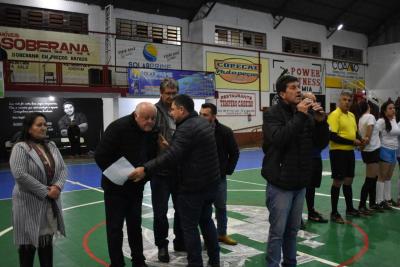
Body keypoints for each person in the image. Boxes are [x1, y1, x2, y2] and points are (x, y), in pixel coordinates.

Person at [130, 94, 221, 267]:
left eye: (173, 109)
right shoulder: (202, 122)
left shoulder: (187, 127)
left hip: (194, 186)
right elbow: (190, 151)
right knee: (206, 221)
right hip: (210, 184)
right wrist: (171, 146)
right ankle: (214, 260)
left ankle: (195, 263)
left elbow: (172, 157)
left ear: (181, 109)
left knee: (190, 227)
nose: (171, 113)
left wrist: (146, 168)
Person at [262, 75, 329, 267]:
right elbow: (279, 139)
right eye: (293, 87)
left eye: (299, 87)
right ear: (282, 93)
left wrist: (320, 122)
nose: (298, 90)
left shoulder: (306, 115)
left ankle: (290, 263)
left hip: (300, 182)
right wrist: (300, 115)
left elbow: (319, 144)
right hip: (281, 184)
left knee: (292, 231)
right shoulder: (272, 114)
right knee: (277, 232)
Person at [94, 102, 158, 267]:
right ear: (136, 115)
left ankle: (138, 261)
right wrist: (124, 175)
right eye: (146, 118)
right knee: (115, 228)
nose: (150, 121)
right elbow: (101, 156)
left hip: (137, 187)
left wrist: (145, 174)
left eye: (153, 118)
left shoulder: (153, 131)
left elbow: (153, 159)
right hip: (115, 189)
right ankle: (117, 263)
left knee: (135, 226)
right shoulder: (118, 128)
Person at [9, 112, 67, 267]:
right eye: (39, 125)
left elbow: (62, 170)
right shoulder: (20, 148)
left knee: (46, 250)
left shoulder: (51, 146)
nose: (43, 128)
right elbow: (20, 175)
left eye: (44, 124)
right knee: (27, 254)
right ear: (29, 128)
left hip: (49, 207)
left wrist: (57, 186)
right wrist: (46, 191)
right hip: (28, 206)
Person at [151, 78, 184, 263]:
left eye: (174, 93)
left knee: (181, 210)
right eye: (168, 93)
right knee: (160, 213)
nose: (171, 97)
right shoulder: (154, 112)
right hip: (160, 173)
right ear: (161, 93)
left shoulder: (182, 111)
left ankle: (180, 241)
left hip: (179, 172)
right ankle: (162, 246)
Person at [199, 103, 240, 245]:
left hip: (218, 178)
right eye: (200, 114)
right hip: (201, 178)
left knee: (221, 207)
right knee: (204, 209)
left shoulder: (225, 132)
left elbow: (234, 152)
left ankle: (222, 234)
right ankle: (207, 237)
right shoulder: (195, 130)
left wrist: (227, 170)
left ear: (213, 116)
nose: (202, 117)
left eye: (205, 115)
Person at [328, 91, 363, 223]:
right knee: (338, 181)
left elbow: (354, 132)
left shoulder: (352, 115)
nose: (347, 102)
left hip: (349, 153)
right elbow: (333, 136)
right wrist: (353, 142)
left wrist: (360, 139)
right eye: (344, 99)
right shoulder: (334, 115)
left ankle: (349, 208)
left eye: (349, 100)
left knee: (349, 180)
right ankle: (334, 212)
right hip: (338, 152)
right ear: (339, 101)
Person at [302, 92, 330, 224]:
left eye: (314, 101)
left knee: (311, 186)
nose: (312, 103)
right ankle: (296, 216)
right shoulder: (298, 116)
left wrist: (322, 121)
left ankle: (311, 211)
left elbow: (324, 141)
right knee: (300, 188)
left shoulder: (318, 117)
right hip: (302, 159)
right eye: (309, 100)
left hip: (315, 157)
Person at [357, 100, 382, 213]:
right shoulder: (370, 117)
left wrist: (362, 147)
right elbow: (368, 134)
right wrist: (364, 144)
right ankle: (362, 205)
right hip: (372, 150)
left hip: (368, 150)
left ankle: (372, 203)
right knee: (370, 180)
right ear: (368, 107)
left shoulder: (361, 118)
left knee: (374, 178)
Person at [375, 100, 400, 209]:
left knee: (389, 176)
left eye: (393, 108)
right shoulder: (381, 121)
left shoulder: (394, 120)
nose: (393, 110)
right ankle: (379, 201)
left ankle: (388, 199)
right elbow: (375, 134)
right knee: (382, 176)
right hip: (384, 149)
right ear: (384, 111)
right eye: (390, 108)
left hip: (394, 151)